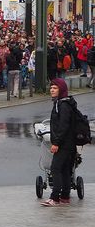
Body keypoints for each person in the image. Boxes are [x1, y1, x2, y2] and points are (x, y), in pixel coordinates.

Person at [42, 78, 80, 207]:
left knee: (55, 168)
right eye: (51, 87)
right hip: (69, 143)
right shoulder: (64, 103)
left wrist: (56, 143)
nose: (52, 90)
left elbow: (63, 126)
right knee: (64, 170)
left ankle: (55, 198)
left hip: (64, 144)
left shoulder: (62, 105)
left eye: (55, 88)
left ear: (61, 90)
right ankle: (65, 197)